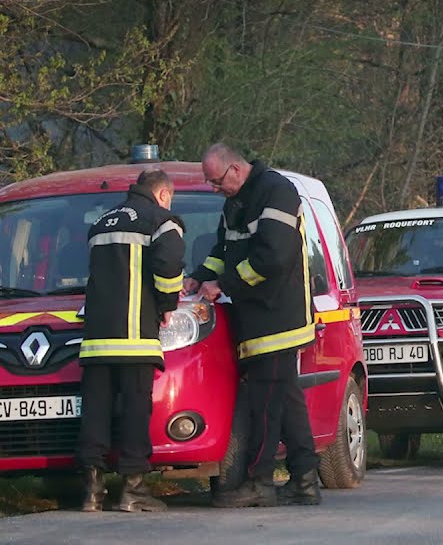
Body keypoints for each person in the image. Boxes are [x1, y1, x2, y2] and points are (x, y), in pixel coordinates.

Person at [185, 144, 319, 507]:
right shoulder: (236, 201)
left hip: (277, 318)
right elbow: (223, 250)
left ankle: (259, 481)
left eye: (216, 181)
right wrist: (199, 277)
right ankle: (305, 479)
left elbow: (273, 257)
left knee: (264, 404)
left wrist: (223, 284)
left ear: (234, 170)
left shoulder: (276, 191)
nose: (215, 189)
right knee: (287, 400)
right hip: (257, 318)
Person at [78, 170, 185, 513]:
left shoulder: (102, 223)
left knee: (96, 412)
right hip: (136, 337)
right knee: (135, 412)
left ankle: (92, 491)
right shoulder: (161, 221)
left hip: (96, 340)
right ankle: (133, 489)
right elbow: (168, 268)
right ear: (163, 194)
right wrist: (167, 306)